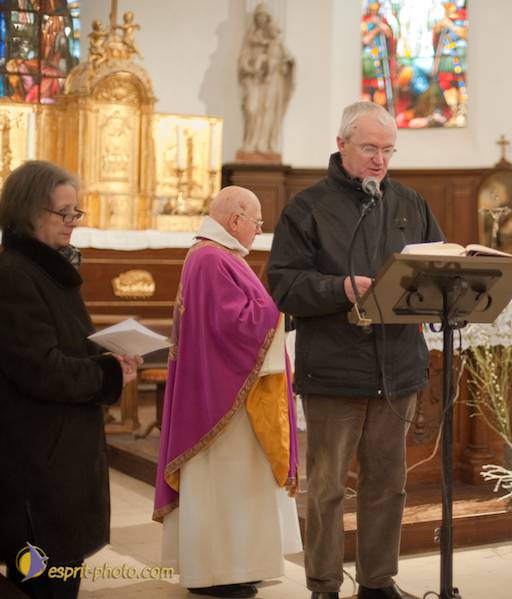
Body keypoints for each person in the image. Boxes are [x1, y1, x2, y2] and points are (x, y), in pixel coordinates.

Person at [268, 101, 443, 599]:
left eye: (388, 150)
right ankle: (323, 585)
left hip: (398, 369)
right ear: (342, 144)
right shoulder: (306, 209)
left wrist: (438, 298)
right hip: (334, 370)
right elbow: (282, 286)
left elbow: (436, 264)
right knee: (326, 489)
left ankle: (377, 582)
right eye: (370, 148)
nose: (379, 160)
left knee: (388, 485)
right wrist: (340, 288)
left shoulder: (410, 203)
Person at [153, 186, 301, 599]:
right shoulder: (211, 259)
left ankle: (236, 567)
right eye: (256, 222)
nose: (258, 230)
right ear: (235, 220)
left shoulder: (217, 256)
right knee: (226, 487)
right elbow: (233, 326)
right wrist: (282, 309)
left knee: (236, 489)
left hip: (229, 393)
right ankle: (218, 572)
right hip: (223, 402)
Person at [0, 160, 140, 599]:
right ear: (28, 212)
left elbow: (64, 345)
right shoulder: (15, 275)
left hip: (59, 457)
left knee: (61, 575)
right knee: (45, 582)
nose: (72, 223)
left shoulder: (49, 271)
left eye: (76, 213)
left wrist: (106, 356)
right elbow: (40, 368)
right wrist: (106, 373)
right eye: (64, 213)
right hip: (37, 463)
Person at [238, 3, 295, 155]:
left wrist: (280, 65)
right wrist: (253, 67)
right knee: (252, 108)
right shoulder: (250, 38)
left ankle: (265, 143)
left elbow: (288, 59)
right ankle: (250, 142)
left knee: (269, 109)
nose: (261, 20)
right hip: (254, 81)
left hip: (272, 82)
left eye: (263, 17)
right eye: (258, 17)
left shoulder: (276, 42)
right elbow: (243, 61)